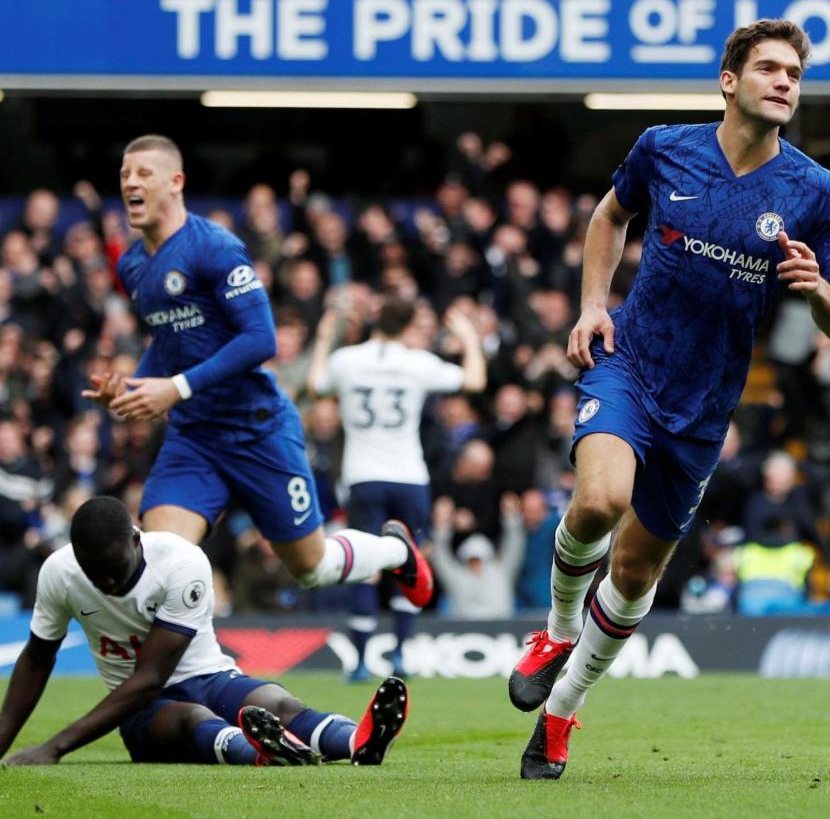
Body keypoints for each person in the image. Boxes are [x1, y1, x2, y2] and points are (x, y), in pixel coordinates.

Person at [508, 19, 830, 779]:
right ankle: (557, 630)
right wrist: (593, 303)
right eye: (768, 68)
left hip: (705, 406)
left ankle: (561, 712)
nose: (784, 82)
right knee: (600, 500)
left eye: (794, 73)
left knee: (635, 574)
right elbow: (609, 215)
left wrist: (818, 288)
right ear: (729, 80)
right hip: (630, 363)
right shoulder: (665, 147)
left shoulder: (814, 191)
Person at [82, 136, 432, 615]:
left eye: (143, 173)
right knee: (163, 563)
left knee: (311, 568)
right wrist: (132, 386)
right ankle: (206, 682)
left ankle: (394, 550)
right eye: (125, 174)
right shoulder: (133, 264)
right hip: (194, 439)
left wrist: (176, 388)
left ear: (176, 182)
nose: (130, 183)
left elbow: (260, 339)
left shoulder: (215, 248)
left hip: (257, 429)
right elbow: (168, 342)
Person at [0, 497, 407, 767]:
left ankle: (359, 742)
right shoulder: (60, 571)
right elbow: (37, 657)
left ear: (136, 540)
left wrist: (54, 747)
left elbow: (151, 676)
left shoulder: (181, 562)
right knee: (194, 718)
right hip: (142, 709)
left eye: (115, 568)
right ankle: (266, 752)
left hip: (204, 677)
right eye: (95, 574)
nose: (107, 583)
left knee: (275, 701)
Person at [308, 294, 485, 679]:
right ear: (407, 326)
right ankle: (400, 653)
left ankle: (358, 661)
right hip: (409, 476)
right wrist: (470, 339)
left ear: (376, 319)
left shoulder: (347, 360)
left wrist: (324, 339)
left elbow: (316, 385)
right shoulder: (418, 364)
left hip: (362, 477)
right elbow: (474, 381)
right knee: (410, 561)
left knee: (366, 568)